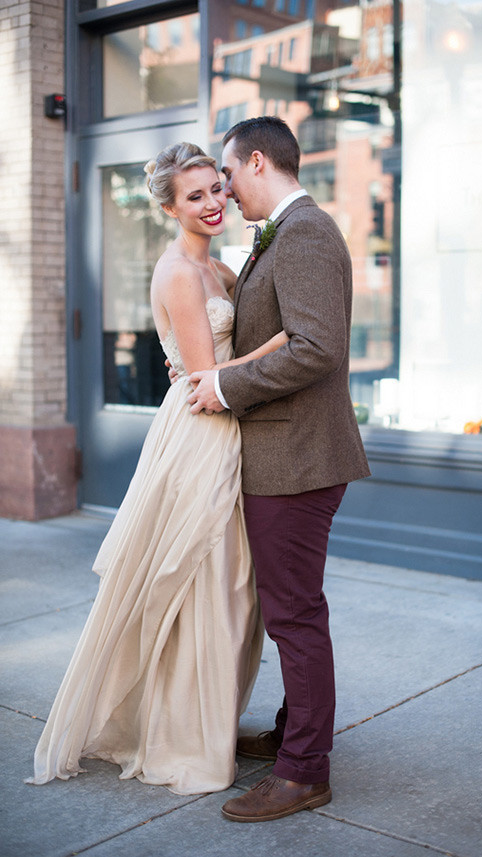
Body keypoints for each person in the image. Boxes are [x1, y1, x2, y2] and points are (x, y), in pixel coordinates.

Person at [26, 142, 289, 795]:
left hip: (226, 424)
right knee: (205, 582)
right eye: (194, 196)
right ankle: (182, 735)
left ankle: (205, 719)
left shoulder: (218, 268)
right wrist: (288, 342)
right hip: (202, 433)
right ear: (170, 209)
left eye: (216, 188)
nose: (213, 202)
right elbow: (204, 376)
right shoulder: (177, 272)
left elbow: (217, 352)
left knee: (230, 588)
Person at [187, 117, 371, 822]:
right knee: (290, 608)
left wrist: (226, 387)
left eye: (229, 174)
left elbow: (316, 347)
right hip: (285, 452)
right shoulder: (288, 233)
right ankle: (298, 733)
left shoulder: (304, 233)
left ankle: (303, 771)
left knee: (294, 614)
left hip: (296, 457)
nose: (225, 190)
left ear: (257, 161)